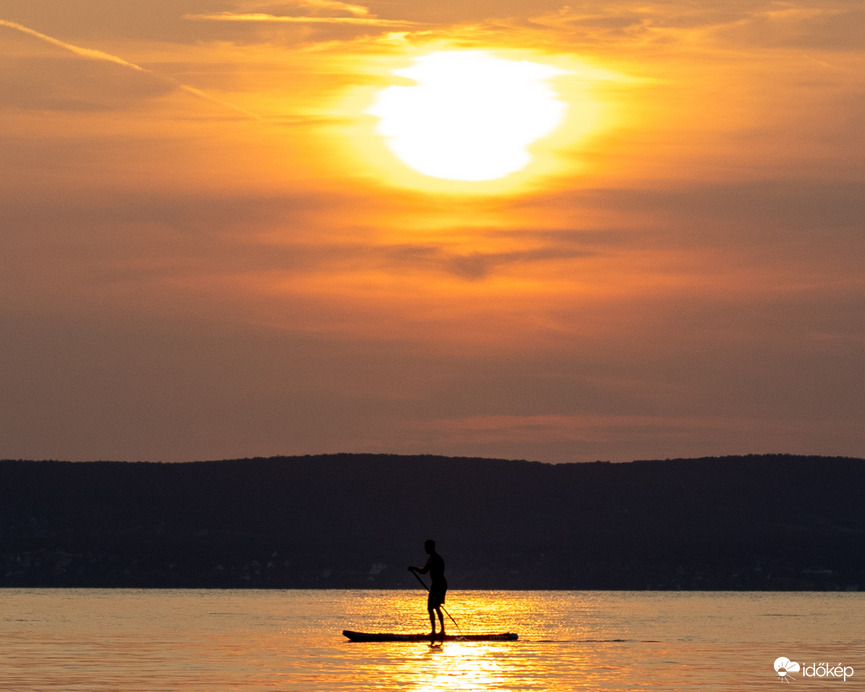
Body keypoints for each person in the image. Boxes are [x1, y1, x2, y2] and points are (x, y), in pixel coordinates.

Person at [408, 539, 447, 638]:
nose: (425, 549)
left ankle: (442, 631)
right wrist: (414, 568)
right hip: (435, 585)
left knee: (436, 606)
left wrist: (436, 590)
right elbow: (424, 571)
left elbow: (439, 574)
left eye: (426, 547)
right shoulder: (430, 558)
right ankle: (434, 631)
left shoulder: (437, 559)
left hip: (440, 585)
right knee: (430, 608)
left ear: (431, 547)